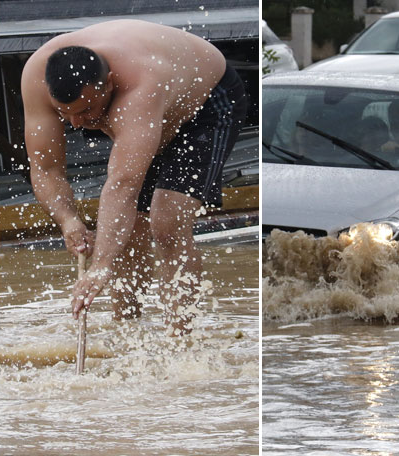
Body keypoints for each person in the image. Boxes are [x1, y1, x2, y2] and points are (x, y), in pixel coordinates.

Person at [21, 19, 248, 335]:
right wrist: (68, 220)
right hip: (149, 111)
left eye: (85, 111)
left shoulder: (139, 83)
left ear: (108, 84)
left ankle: (181, 339)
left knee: (166, 222)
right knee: (125, 232)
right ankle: (126, 329)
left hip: (206, 102)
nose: (76, 124)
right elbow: (46, 168)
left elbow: (123, 184)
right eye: (65, 113)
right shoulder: (35, 78)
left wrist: (100, 266)